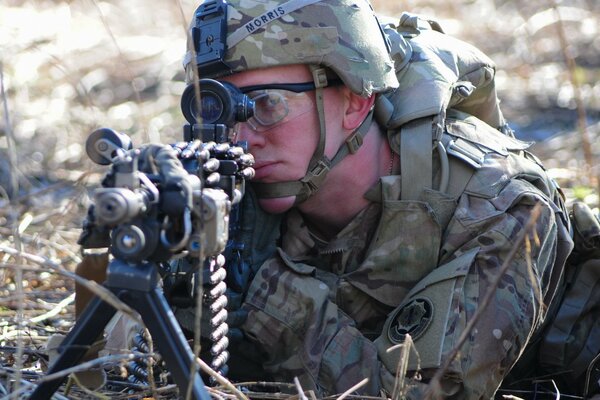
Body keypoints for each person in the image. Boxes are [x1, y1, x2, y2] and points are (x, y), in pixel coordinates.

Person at [174, 0, 577, 398]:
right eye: (217, 110)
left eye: (266, 105)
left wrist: (265, 289)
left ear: (355, 99)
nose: (240, 140)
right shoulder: (229, 190)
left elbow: (417, 395)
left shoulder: (493, 203)